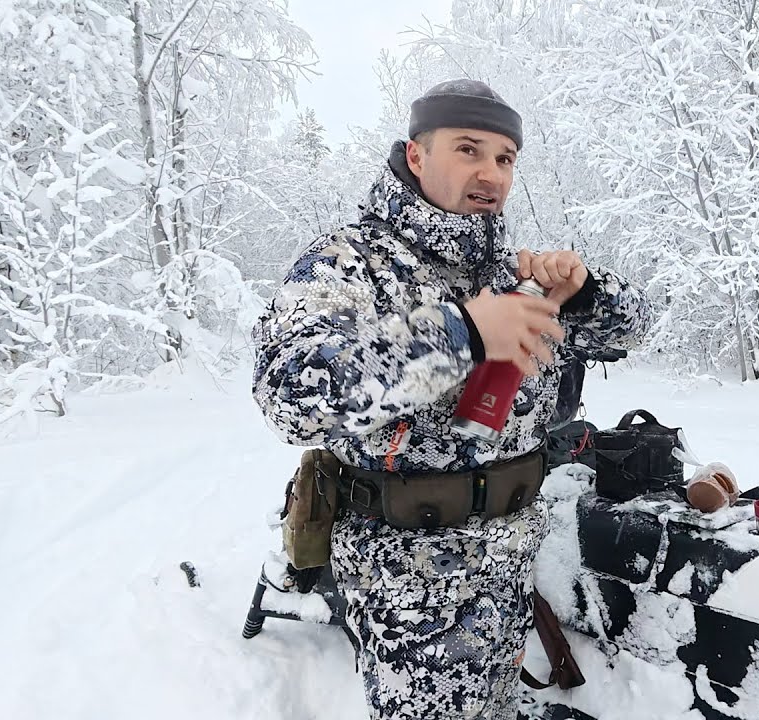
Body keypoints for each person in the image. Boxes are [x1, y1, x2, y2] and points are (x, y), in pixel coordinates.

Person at [251, 79, 651, 719]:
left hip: (511, 558)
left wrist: (583, 295)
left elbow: (630, 329)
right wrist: (460, 333)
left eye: (505, 158)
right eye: (469, 150)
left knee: (494, 703)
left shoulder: (509, 272)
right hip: (412, 578)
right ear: (416, 155)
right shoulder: (351, 263)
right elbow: (289, 390)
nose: (491, 173)